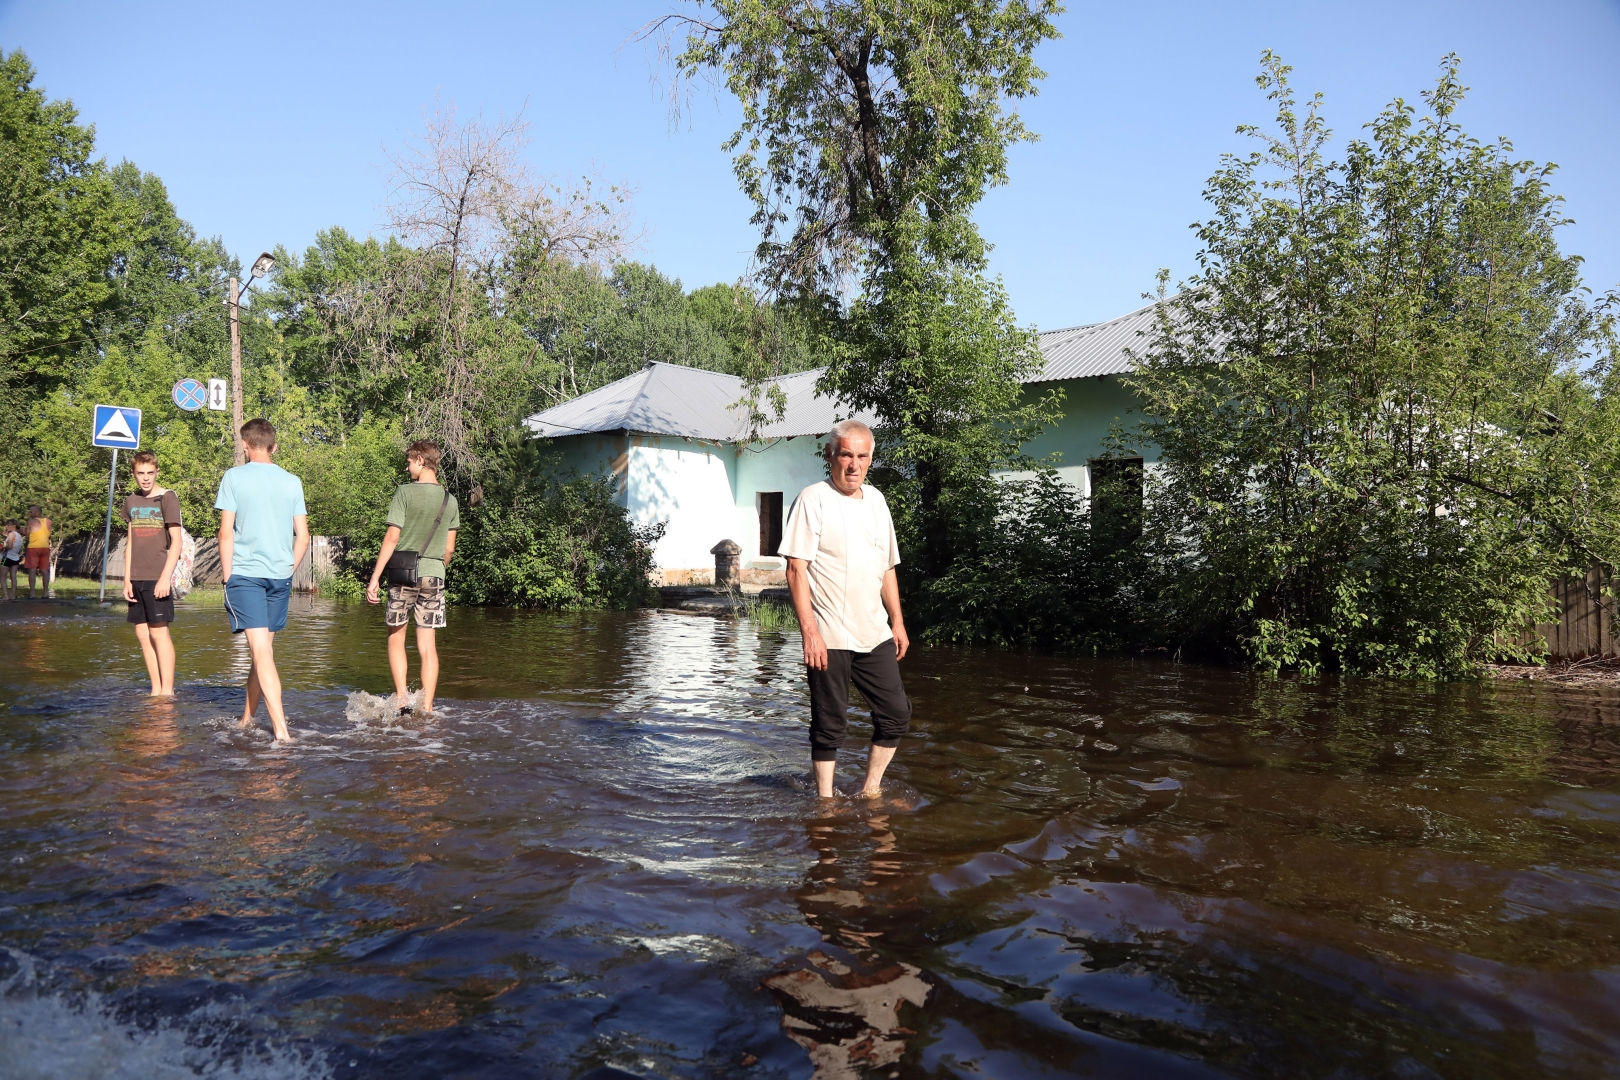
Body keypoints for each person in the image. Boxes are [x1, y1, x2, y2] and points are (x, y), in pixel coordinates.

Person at [780, 419, 912, 799]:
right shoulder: (813, 499)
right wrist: (810, 633)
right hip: (830, 634)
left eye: (862, 456)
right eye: (846, 455)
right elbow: (795, 568)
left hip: (875, 632)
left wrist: (898, 622)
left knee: (896, 714)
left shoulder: (877, 501)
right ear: (831, 456)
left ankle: (870, 790)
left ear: (870, 459)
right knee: (829, 722)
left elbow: (887, 566)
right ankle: (825, 800)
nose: (854, 465)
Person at [216, 419, 309, 743]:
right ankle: (246, 718)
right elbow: (304, 537)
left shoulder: (234, 477)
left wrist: (228, 577)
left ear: (245, 445)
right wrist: (288, 569)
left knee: (261, 653)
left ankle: (281, 732)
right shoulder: (292, 481)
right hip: (279, 577)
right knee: (263, 652)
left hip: (246, 576)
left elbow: (225, 532)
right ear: (273, 446)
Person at [366, 440, 459, 716]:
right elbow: (450, 549)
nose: (408, 469)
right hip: (434, 576)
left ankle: (402, 700)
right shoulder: (449, 500)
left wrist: (375, 577)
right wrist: (434, 567)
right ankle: (428, 708)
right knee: (427, 645)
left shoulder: (404, 493)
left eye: (409, 463)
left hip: (403, 575)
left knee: (396, 637)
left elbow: (392, 538)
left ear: (420, 460)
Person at [121, 451, 184, 697]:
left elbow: (176, 542)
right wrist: (126, 578)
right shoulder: (131, 501)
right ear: (133, 474)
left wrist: (165, 578)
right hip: (135, 577)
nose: (145, 478)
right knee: (142, 634)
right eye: (140, 473)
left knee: (159, 633)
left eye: (150, 473)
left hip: (158, 576)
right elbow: (130, 542)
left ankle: (167, 693)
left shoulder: (167, 498)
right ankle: (155, 690)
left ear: (157, 472)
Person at [23, 505, 51, 598]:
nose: (29, 514)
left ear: (37, 513)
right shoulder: (48, 521)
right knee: (44, 570)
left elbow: (27, 536)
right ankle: (45, 593)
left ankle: (32, 594)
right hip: (45, 547)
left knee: (32, 570)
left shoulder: (31, 522)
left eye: (31, 512)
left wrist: (25, 531)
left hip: (33, 547)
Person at [1, 520, 23, 601]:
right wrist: (6, 537)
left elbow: (10, 546)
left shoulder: (11, 534)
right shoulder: (19, 536)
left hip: (7, 557)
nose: (6, 526)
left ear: (14, 525)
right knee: (13, 576)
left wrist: (1, 549)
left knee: (3, 577)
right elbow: (14, 543)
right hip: (15, 558)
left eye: (8, 525)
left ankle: (5, 596)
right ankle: (12, 595)